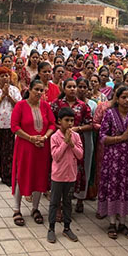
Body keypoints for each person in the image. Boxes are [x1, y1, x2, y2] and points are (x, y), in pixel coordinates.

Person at [98, 86, 128, 239]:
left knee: (127, 188)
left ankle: (123, 223)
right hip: (113, 159)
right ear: (117, 99)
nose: (127, 100)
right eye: (123, 97)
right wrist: (120, 138)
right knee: (113, 187)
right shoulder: (110, 114)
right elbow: (102, 137)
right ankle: (112, 222)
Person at [10, 79, 56, 226]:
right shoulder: (20, 105)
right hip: (25, 147)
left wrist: (44, 137)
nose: (39, 92)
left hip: (42, 147)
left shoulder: (45, 106)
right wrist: (30, 138)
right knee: (21, 175)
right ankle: (17, 209)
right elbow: (14, 126)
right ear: (29, 90)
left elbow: (52, 124)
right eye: (36, 89)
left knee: (39, 176)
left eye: (41, 90)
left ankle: (35, 208)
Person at [51, 78, 93, 213]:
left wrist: (77, 129)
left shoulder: (83, 105)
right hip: (59, 139)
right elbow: (51, 121)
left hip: (77, 140)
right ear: (64, 88)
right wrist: (62, 128)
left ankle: (78, 199)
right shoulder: (57, 104)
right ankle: (59, 205)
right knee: (60, 167)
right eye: (69, 86)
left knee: (78, 168)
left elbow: (90, 124)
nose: (73, 89)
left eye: (74, 86)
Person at [47, 106, 83, 244]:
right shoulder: (55, 137)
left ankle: (67, 228)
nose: (69, 123)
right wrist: (64, 142)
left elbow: (80, 155)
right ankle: (51, 228)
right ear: (59, 121)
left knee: (68, 202)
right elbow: (56, 156)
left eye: (72, 120)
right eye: (66, 120)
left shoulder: (76, 136)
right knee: (54, 202)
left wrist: (71, 143)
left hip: (71, 176)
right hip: (58, 176)